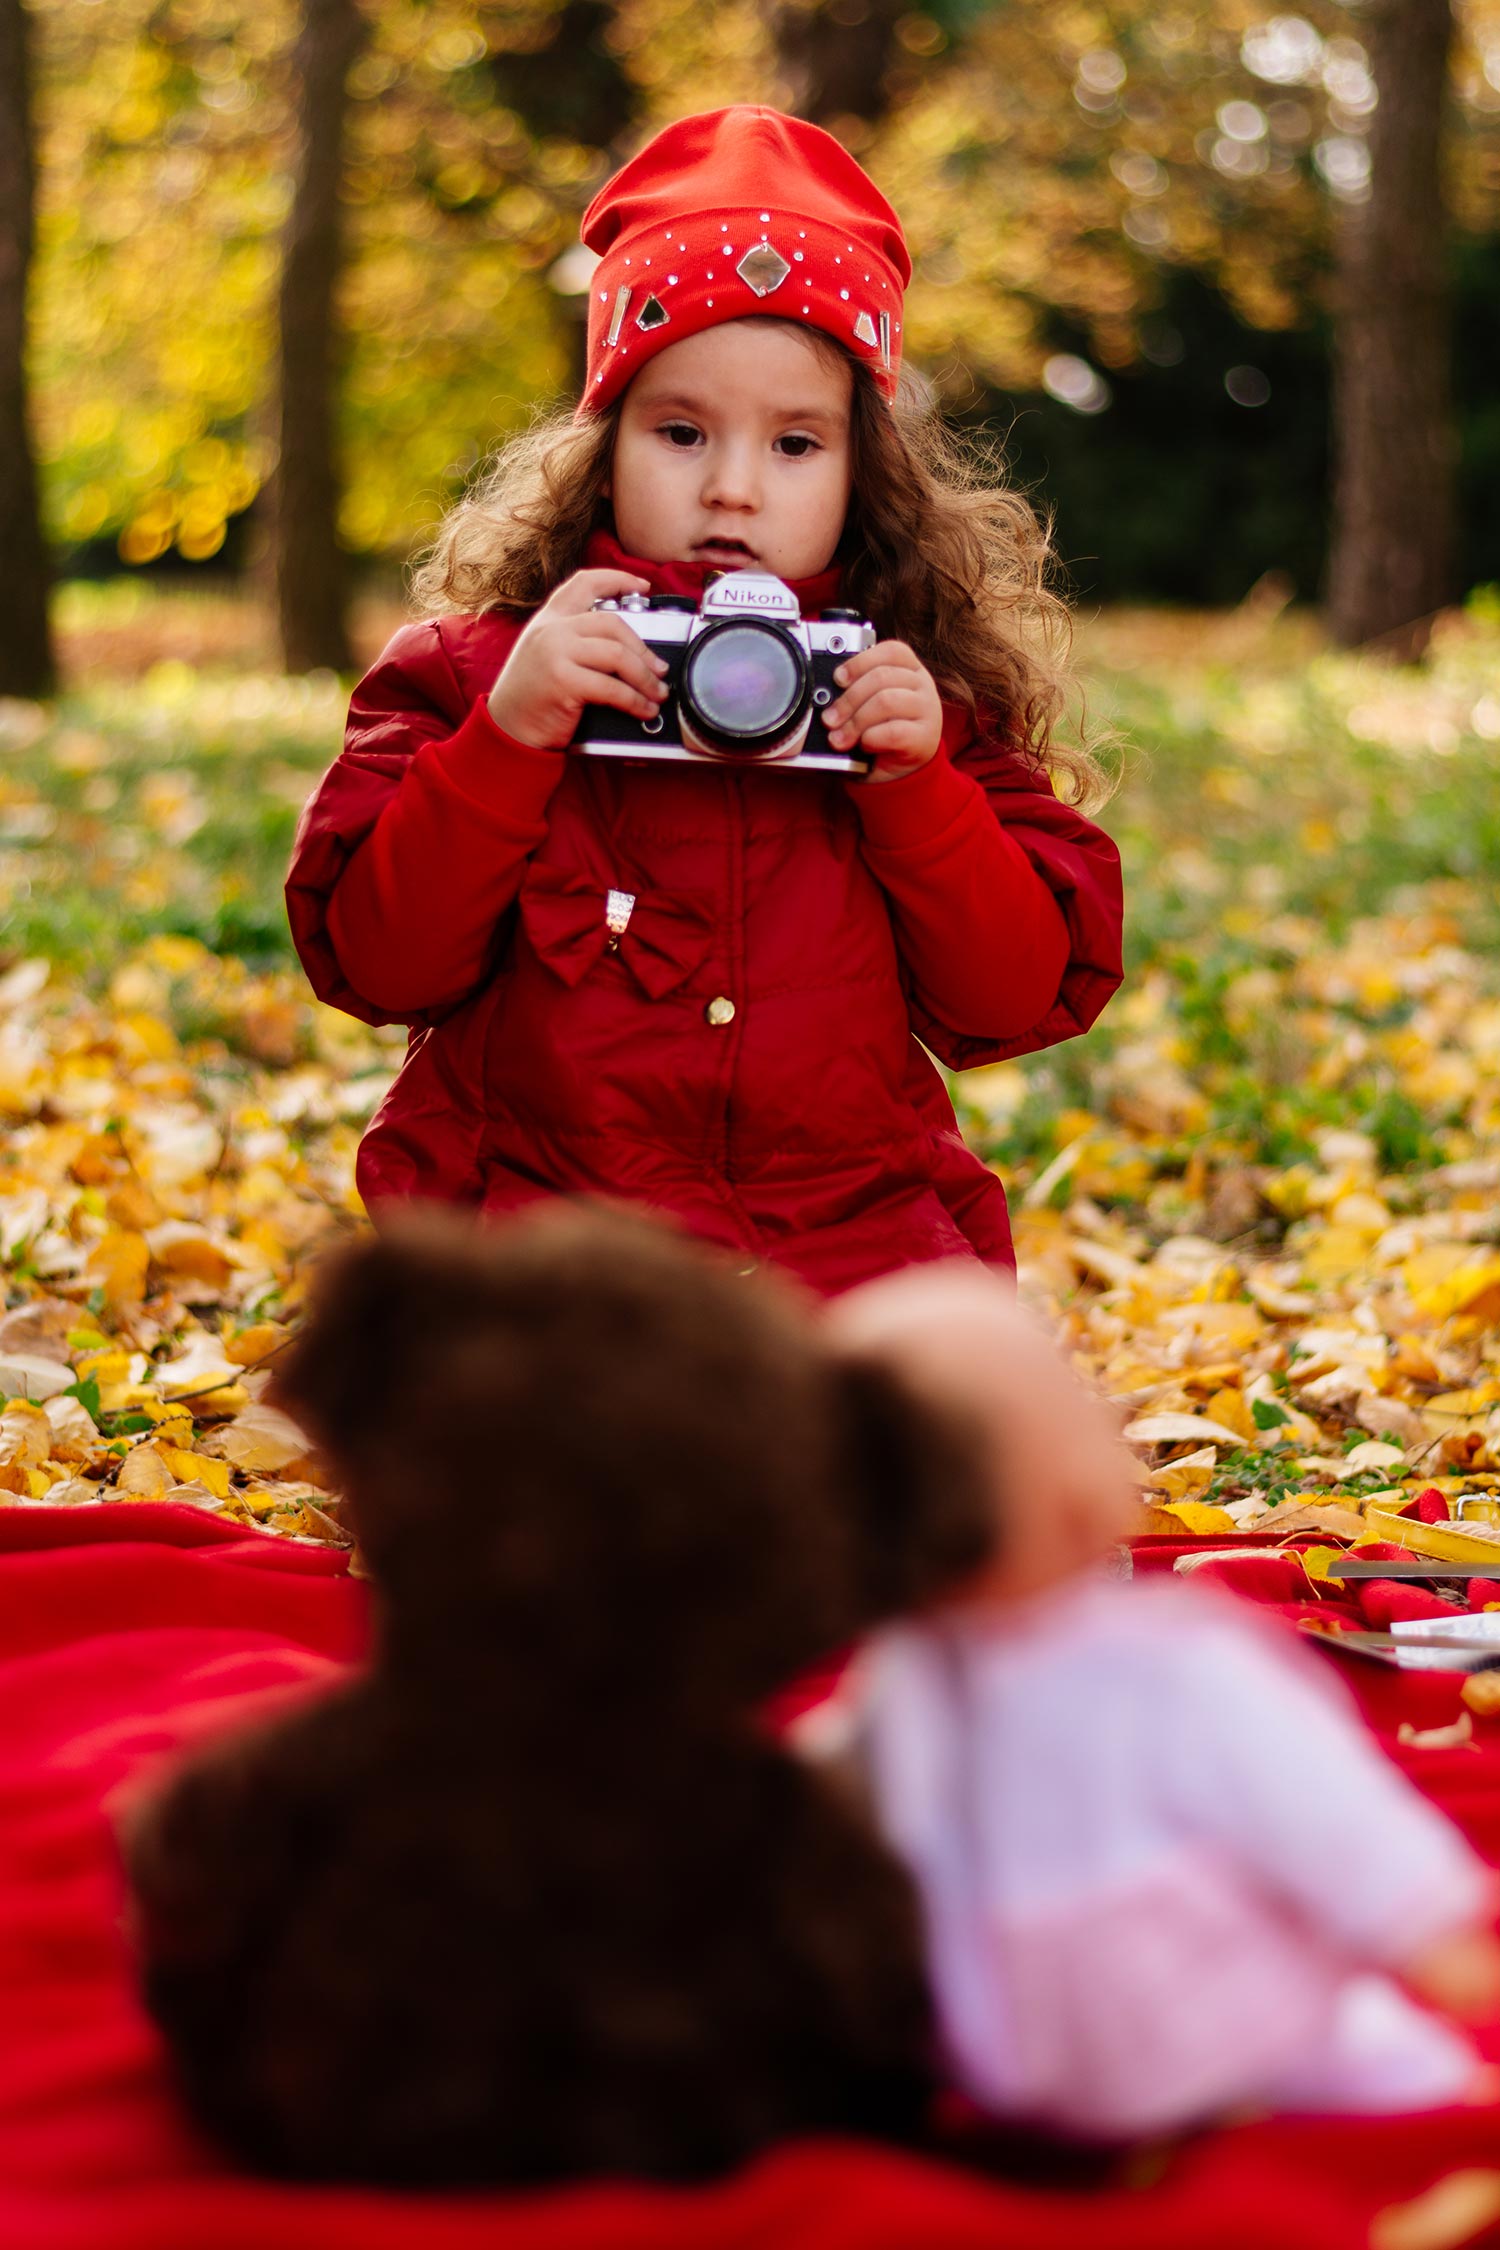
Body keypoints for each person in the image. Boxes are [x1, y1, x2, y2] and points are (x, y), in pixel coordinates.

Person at [286, 106, 1123, 1297]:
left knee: (986, 1395)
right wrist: (508, 741)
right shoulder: (484, 675)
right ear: (605, 444)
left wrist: (918, 792)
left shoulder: (909, 698)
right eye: (681, 431)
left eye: (795, 445)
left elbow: (1013, 998)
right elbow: (380, 965)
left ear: (863, 469)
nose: (733, 488)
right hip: (550, 1252)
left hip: (848, 1245)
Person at [121, 1200, 995, 2188]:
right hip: (703, 2131)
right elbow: (889, 2010)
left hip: (339, 2120)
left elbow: (186, 1886)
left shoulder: (303, 1790)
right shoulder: (788, 1832)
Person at [820, 1264, 1500, 2140]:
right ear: (1080, 1485)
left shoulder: (901, 1676)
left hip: (1012, 2053)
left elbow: (836, 1799)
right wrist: (1434, 1939)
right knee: (1396, 2061)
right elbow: (1321, 1813)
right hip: (1218, 2034)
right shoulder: (1172, 1665)